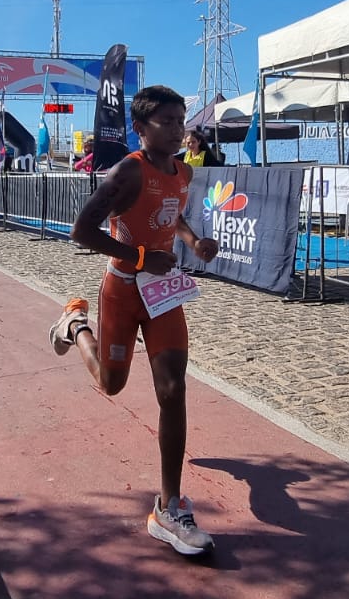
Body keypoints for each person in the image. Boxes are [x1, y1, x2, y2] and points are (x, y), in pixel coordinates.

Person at [51, 86, 221, 555]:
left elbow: (174, 215)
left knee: (173, 390)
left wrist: (192, 241)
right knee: (112, 383)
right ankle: (74, 326)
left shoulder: (184, 171)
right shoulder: (128, 171)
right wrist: (141, 256)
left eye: (180, 119)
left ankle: (169, 507)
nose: (177, 128)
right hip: (123, 289)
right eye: (165, 121)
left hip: (163, 295)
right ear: (141, 129)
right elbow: (81, 231)